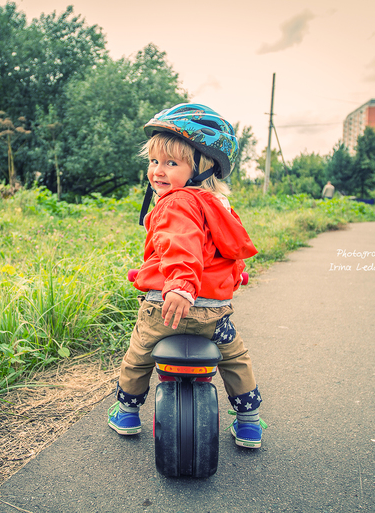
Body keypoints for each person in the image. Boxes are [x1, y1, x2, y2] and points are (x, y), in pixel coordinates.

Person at [108, 103, 265, 448]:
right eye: (153, 161)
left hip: (166, 308)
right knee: (236, 358)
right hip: (214, 313)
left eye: (171, 163)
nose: (157, 171)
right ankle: (250, 422)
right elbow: (226, 249)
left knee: (139, 354)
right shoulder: (218, 205)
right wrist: (236, 275)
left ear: (202, 167)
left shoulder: (177, 202)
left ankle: (127, 412)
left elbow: (182, 246)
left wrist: (180, 286)